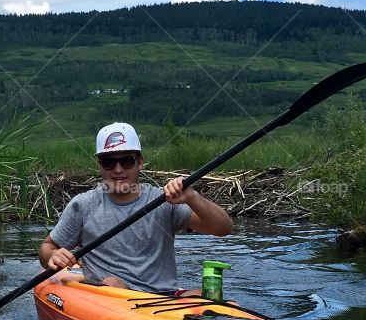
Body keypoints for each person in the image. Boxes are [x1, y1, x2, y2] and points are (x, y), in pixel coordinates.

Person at [38, 121, 233, 294]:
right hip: (110, 297)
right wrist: (53, 255)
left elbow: (223, 228)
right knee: (113, 283)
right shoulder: (83, 205)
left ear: (140, 162)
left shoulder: (165, 201)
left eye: (127, 161)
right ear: (100, 166)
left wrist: (192, 198)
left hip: (162, 297)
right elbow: (47, 248)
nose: (118, 169)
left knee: (203, 295)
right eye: (108, 162)